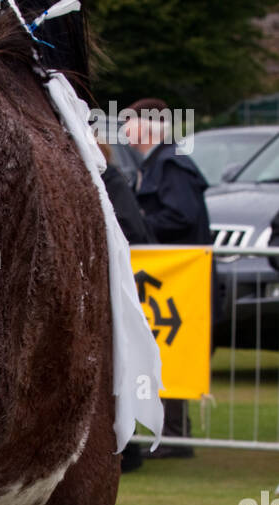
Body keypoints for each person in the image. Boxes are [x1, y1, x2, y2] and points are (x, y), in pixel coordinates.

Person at [125, 98, 212, 458]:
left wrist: (139, 228)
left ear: (147, 126)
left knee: (172, 351)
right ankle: (171, 433)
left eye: (129, 123)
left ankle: (175, 437)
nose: (124, 131)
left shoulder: (172, 165)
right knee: (164, 351)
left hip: (180, 278)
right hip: (168, 279)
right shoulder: (158, 164)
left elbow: (181, 217)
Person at [100, 144, 152, 473]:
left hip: (112, 291)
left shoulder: (108, 177)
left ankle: (127, 449)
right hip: (100, 289)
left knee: (118, 367)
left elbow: (132, 228)